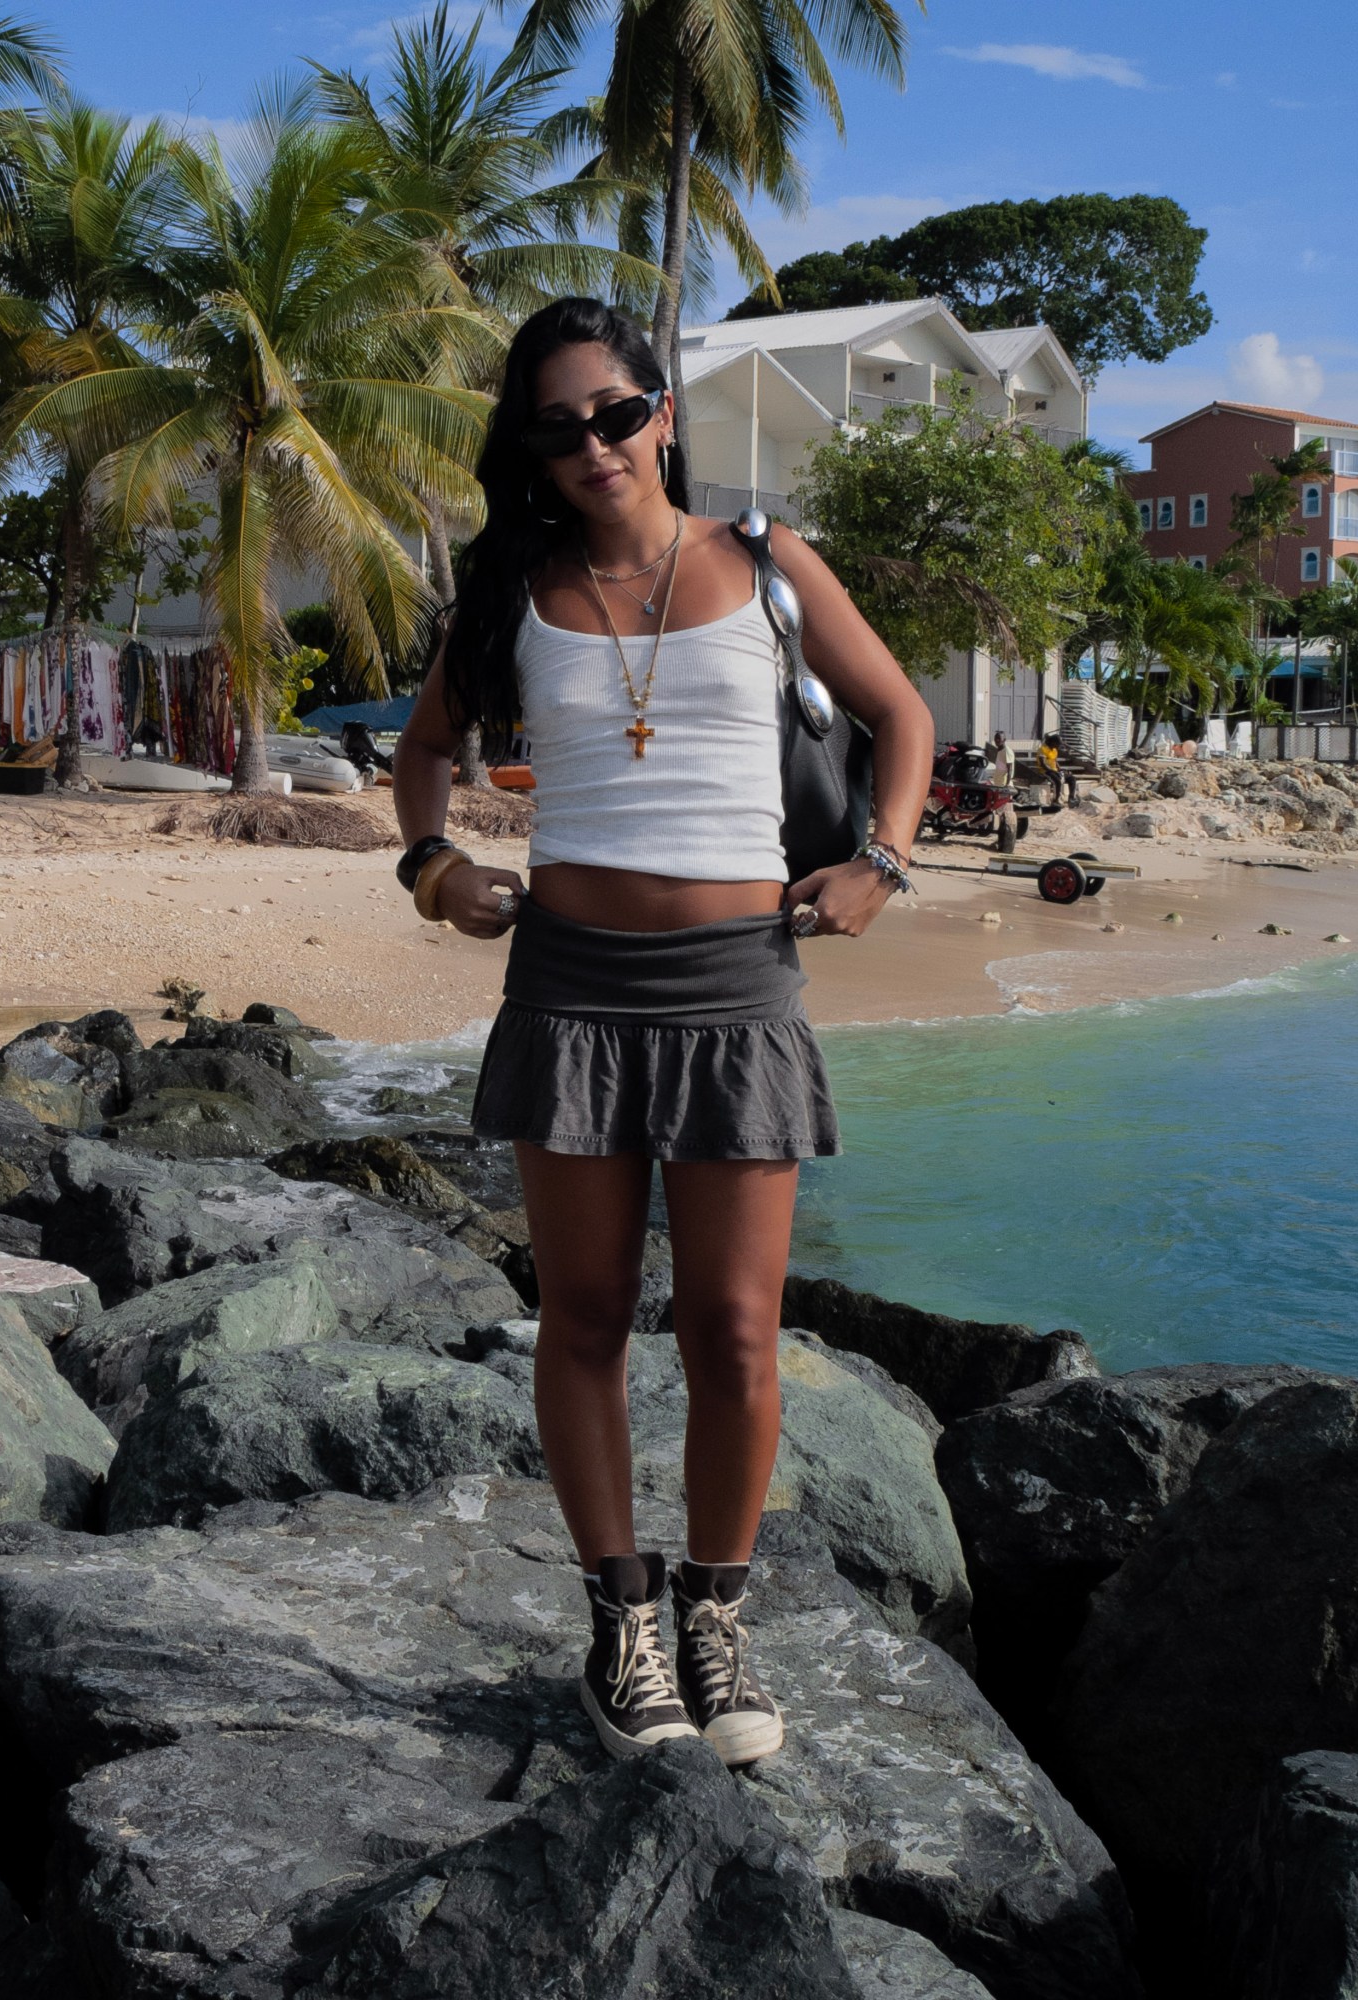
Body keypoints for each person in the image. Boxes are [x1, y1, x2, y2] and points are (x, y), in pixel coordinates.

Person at [393, 297, 934, 1769]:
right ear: (535, 448)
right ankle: (618, 1617)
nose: (593, 445)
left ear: (664, 415)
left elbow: (900, 719)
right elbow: (426, 753)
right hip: (569, 991)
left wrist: (879, 867)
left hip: (737, 993)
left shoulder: (768, 570)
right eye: (559, 426)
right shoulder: (512, 591)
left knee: (737, 1331)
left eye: (616, 414)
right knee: (580, 1321)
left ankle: (714, 1612)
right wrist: (434, 869)